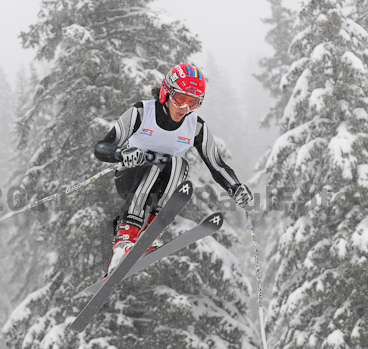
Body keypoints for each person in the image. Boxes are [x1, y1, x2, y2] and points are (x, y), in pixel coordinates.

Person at [94, 63, 252, 276]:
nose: (184, 108)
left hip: (162, 186)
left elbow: (217, 165)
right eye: (180, 99)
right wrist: (121, 154)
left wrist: (236, 187)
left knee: (179, 164)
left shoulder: (196, 126)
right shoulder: (142, 112)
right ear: (166, 93)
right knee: (152, 165)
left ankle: (151, 230)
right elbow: (102, 147)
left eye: (192, 102)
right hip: (131, 178)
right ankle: (125, 237)